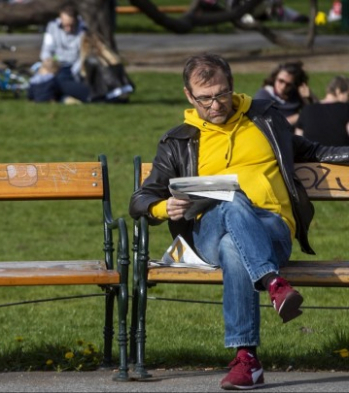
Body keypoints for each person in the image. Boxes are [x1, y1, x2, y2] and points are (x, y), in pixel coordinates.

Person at [129, 54, 349, 390]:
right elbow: (139, 200)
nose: (215, 104)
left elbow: (310, 150)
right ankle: (273, 284)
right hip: (208, 234)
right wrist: (163, 208)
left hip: (272, 228)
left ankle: (246, 361)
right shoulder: (178, 141)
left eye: (221, 94)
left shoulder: (266, 119)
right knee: (232, 199)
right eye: (205, 98)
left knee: (235, 247)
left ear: (232, 87)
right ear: (189, 96)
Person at [37, 3, 90, 103]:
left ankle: (65, 97)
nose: (68, 29)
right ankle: (67, 97)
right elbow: (46, 49)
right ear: (60, 19)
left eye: (71, 25)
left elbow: (83, 54)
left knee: (61, 81)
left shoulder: (83, 30)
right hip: (57, 65)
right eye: (65, 25)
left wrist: (76, 70)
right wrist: (49, 63)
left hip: (74, 66)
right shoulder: (52, 27)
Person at [253, 60, 318, 126]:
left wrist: (308, 98)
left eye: (289, 84)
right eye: (281, 81)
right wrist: (299, 117)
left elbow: (318, 114)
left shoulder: (295, 94)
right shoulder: (264, 96)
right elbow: (266, 124)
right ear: (274, 78)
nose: (283, 87)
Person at [295, 75, 349, 146]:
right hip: (339, 155)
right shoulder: (346, 109)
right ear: (338, 91)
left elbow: (298, 138)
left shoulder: (306, 110)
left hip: (312, 155)